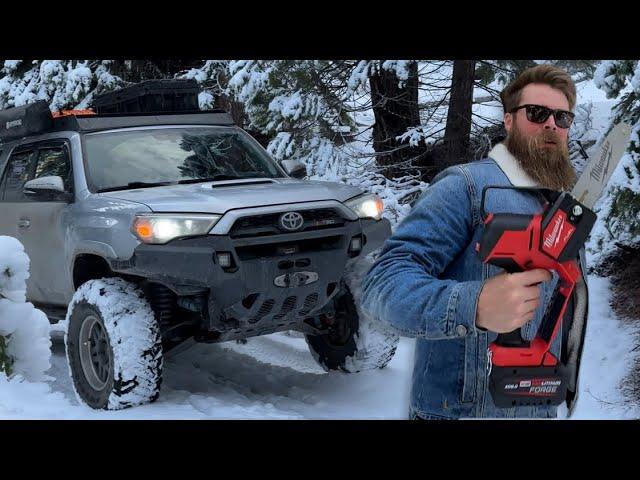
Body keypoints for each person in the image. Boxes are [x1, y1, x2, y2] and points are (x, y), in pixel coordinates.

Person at [361, 64, 589, 419]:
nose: (551, 125)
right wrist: (475, 306)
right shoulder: (465, 188)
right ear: (509, 121)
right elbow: (382, 286)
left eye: (562, 118)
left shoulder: (559, 206)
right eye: (537, 113)